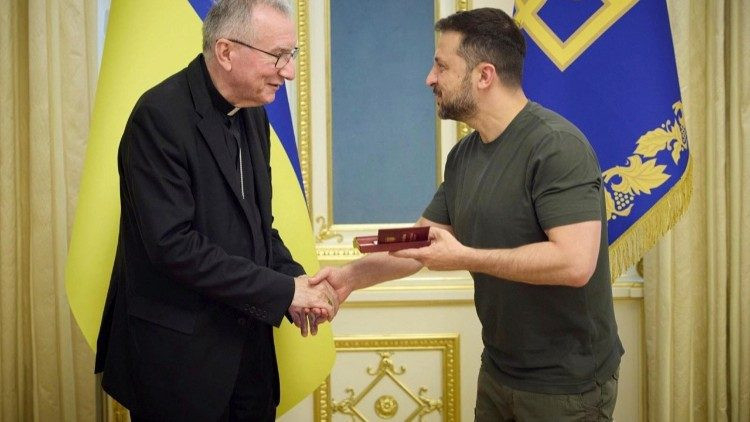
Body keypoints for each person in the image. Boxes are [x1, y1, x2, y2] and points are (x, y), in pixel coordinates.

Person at [310, 8, 623, 421]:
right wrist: (349, 277)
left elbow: (575, 263)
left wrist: (464, 257)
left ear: (484, 75)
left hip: (567, 386)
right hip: (498, 372)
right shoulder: (464, 155)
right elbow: (420, 243)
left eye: (442, 66)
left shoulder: (557, 147)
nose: (430, 78)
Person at [94, 1, 338, 420]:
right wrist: (283, 291)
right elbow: (173, 246)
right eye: (278, 55)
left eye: (292, 54)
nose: (289, 71)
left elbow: (257, 226)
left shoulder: (254, 116)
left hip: (250, 361)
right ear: (226, 52)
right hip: (179, 365)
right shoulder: (159, 117)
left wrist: (296, 281)